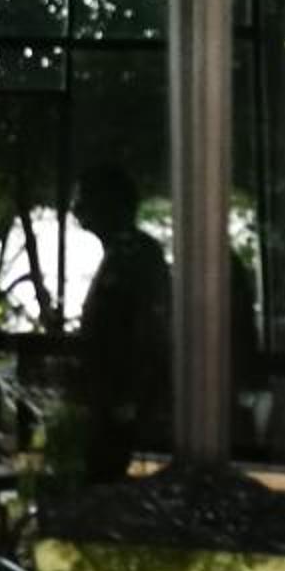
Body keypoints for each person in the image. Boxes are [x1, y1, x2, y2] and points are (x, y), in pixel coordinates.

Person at [73, 161, 171, 482]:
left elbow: (147, 330)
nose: (77, 210)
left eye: (85, 199)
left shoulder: (136, 254)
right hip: (112, 398)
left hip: (121, 402)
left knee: (106, 478)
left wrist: (128, 397)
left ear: (110, 203)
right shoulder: (123, 252)